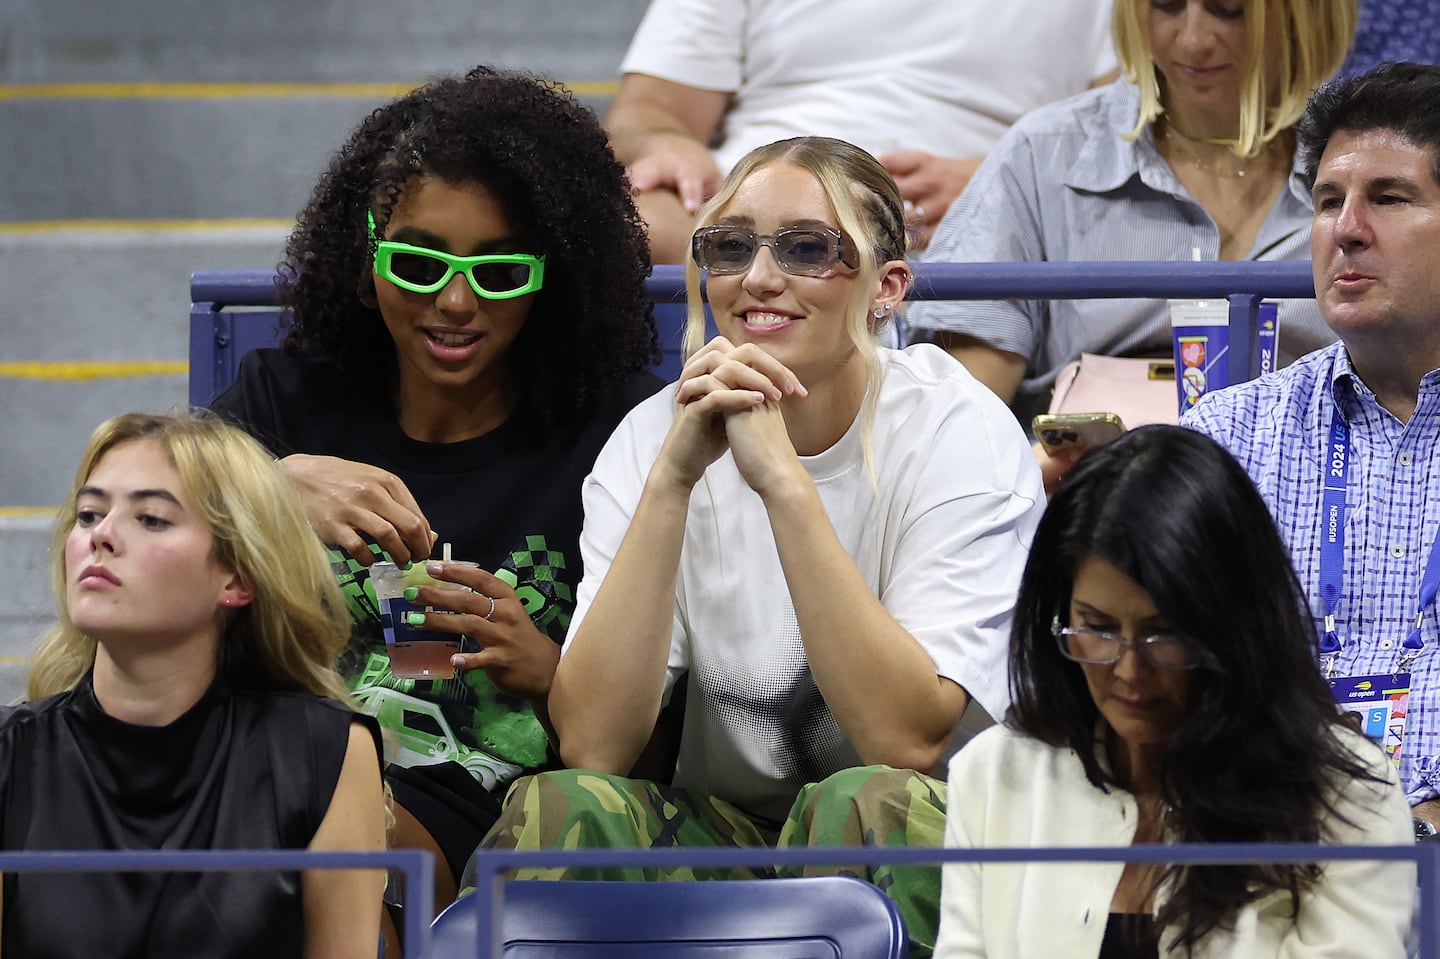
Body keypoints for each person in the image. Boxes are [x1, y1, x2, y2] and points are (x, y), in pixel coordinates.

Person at [471, 136, 1046, 958]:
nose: (759, 278)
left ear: (887, 288)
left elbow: (907, 739)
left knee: (863, 801)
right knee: (559, 808)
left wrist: (783, 483)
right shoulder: (651, 438)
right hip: (734, 836)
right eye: (731, 247)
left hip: (936, 828)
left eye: (808, 248)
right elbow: (593, 746)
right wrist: (672, 481)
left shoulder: (955, 427)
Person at [209, 65, 663, 917]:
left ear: (551, 276)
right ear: (366, 252)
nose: (455, 302)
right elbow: (122, 516)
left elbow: (672, 724)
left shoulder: (620, 430)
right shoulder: (283, 401)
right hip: (259, 768)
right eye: (418, 263)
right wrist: (268, 488)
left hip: (464, 809)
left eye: (499, 273)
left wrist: (549, 675)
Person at [935, 426, 1415, 958]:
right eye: (1096, 628)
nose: (1130, 671)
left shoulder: (1348, 801)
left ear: (1232, 624)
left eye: (1164, 634)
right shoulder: (994, 776)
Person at [1, 412, 386, 958]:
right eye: (88, 515)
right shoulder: (11, 756)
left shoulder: (325, 753)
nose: (101, 536)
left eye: (152, 519)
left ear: (237, 577)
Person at [1185, 61, 1440, 839]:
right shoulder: (1224, 440)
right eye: (1329, 201)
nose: (1345, 229)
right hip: (1266, 867)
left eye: (1389, 198)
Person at [906, 0, 1357, 427]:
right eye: (1166, 4)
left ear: (1304, 13)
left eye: (1228, 9)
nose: (1193, 39)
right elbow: (962, 421)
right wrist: (1033, 466)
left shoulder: (1375, 167)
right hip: (1089, 487)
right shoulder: (1041, 153)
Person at [606, 0, 1119, 261]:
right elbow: (647, 113)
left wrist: (1005, 181)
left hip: (974, 220)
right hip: (759, 195)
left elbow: (1136, 131)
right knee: (639, 219)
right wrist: (665, 143)